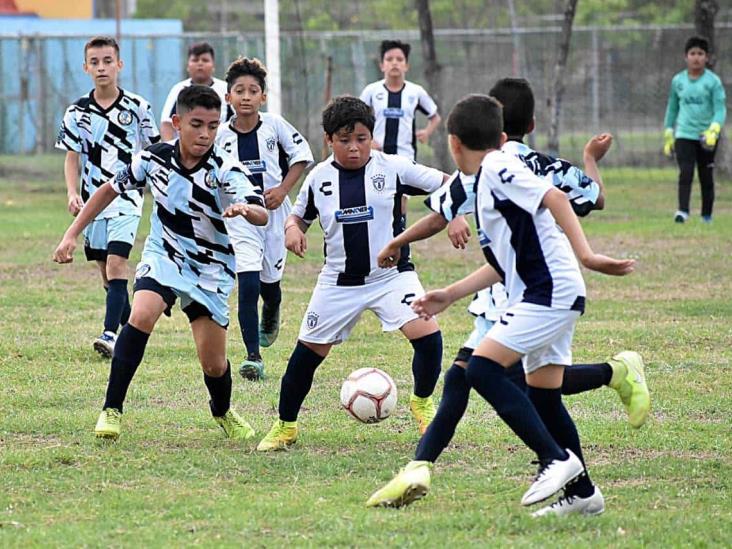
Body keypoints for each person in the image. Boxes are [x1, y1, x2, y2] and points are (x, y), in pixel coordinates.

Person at [367, 79, 650, 516]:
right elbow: (503, 264)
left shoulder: (498, 167)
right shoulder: (481, 184)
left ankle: (556, 461)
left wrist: (588, 255)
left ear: (453, 143)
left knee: (480, 368)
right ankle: (583, 494)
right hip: (543, 291)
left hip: (548, 293)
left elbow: (555, 196)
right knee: (543, 396)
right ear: (499, 136)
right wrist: (449, 294)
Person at [53, 85, 268, 441]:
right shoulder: (153, 157)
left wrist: (247, 209)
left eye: (213, 126)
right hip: (164, 254)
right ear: (177, 122)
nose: (205, 134)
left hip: (211, 268)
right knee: (140, 314)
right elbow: (108, 189)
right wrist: (72, 233)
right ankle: (111, 409)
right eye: (197, 124)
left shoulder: (226, 168)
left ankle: (223, 411)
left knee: (214, 364)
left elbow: (260, 210)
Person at [256, 96, 449, 452]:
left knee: (428, 336)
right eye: (344, 140)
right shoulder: (319, 178)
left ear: (371, 137)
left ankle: (421, 401)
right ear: (329, 140)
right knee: (305, 357)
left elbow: (448, 184)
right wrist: (292, 230)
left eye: (361, 138)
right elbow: (297, 216)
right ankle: (285, 426)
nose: (354, 148)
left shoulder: (393, 167)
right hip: (339, 282)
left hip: (391, 277)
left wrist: (458, 216)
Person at [55, 36, 160, 359]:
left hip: (127, 198)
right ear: (86, 67)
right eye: (95, 62)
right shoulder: (77, 112)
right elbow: (72, 156)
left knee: (117, 264)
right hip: (92, 203)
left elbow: (156, 151)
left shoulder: (138, 107)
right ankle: (131, 328)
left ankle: (110, 335)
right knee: (106, 272)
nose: (102, 67)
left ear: (119, 64)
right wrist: (73, 192)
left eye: (108, 61)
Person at [216, 57, 314, 381]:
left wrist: (284, 189)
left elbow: (302, 156)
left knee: (269, 286)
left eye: (253, 90)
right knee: (247, 281)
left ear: (263, 96)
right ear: (228, 97)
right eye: (239, 91)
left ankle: (272, 310)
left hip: (274, 216)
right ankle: (252, 357)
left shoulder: (274, 125)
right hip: (240, 218)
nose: (246, 96)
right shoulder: (219, 136)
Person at [663, 36, 726, 224]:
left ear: (706, 57)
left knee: (706, 176)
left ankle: (707, 215)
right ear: (686, 57)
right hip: (684, 134)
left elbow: (720, 108)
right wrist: (668, 131)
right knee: (686, 172)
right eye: (692, 53)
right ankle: (682, 211)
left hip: (706, 137)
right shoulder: (678, 81)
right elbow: (672, 107)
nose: (696, 57)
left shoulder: (713, 82)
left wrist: (714, 129)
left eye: (700, 53)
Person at [359, 39, 441, 160]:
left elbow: (435, 117)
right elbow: (356, 119)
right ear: (382, 65)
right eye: (389, 59)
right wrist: (367, 140)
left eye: (400, 59)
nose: (394, 63)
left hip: (406, 158)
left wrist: (427, 132)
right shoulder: (371, 91)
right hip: (376, 157)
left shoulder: (416, 92)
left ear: (406, 66)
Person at [159, 42, 233, 142]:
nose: (200, 64)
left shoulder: (225, 89)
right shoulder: (179, 89)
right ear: (188, 66)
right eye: (195, 60)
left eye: (205, 60)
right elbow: (167, 123)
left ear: (213, 65)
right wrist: (169, 150)